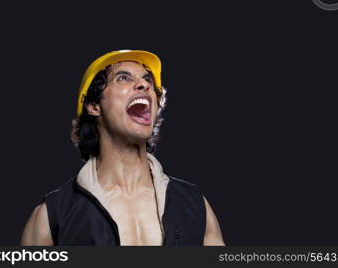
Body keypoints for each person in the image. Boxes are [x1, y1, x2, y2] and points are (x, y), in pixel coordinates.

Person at [20, 50, 225, 246]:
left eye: (148, 80)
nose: (144, 84)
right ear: (94, 106)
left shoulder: (196, 204)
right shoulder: (52, 216)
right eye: (123, 78)